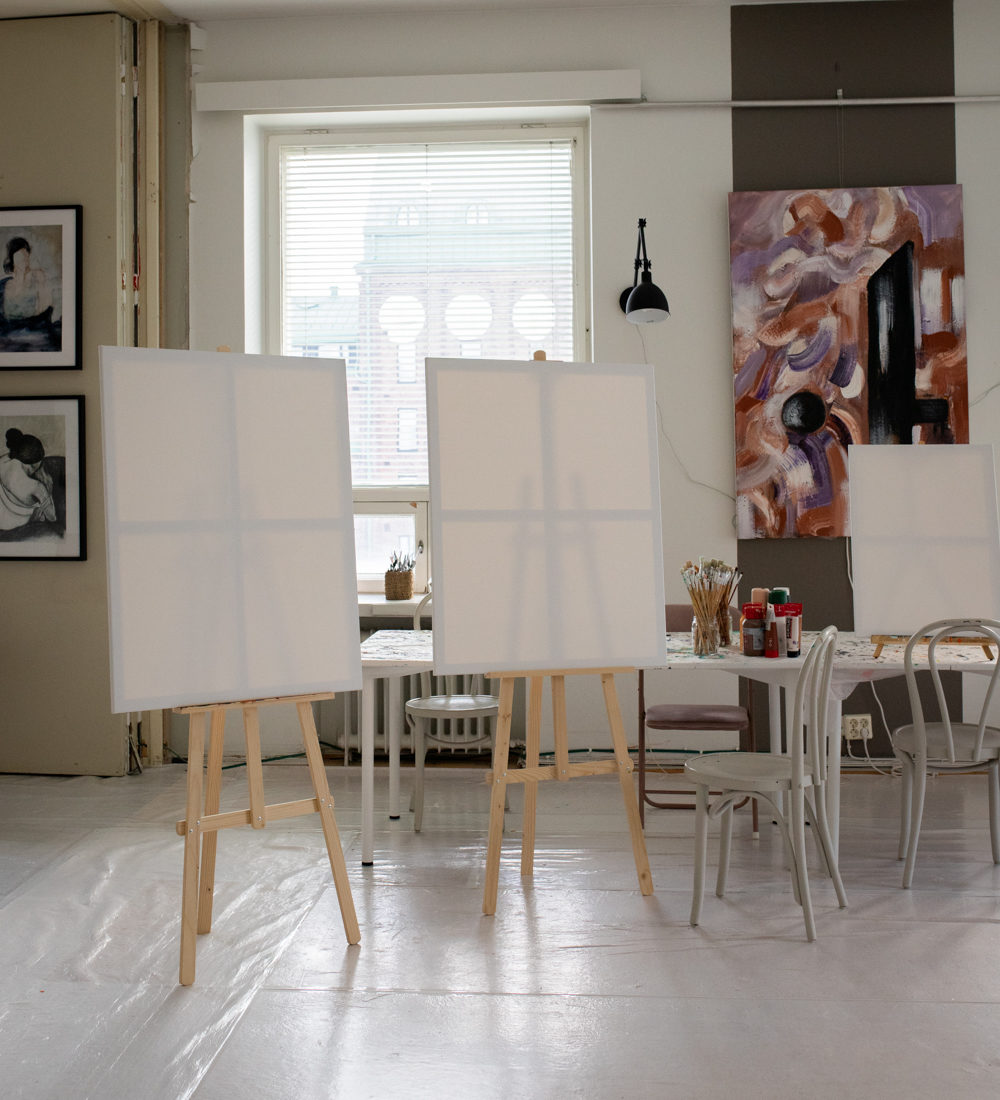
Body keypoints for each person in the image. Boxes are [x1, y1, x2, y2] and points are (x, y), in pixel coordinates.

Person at [0, 236, 57, 347]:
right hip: (8, 336)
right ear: (12, 258)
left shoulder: (38, 276)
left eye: (25, 254)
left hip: (35, 334)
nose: (24, 258)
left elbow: (45, 313)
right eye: (19, 254)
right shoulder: (4, 285)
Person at [0, 427, 56, 531]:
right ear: (37, 463)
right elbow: (52, 517)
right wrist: (48, 489)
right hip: (15, 523)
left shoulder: (2, 461)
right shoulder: (37, 487)